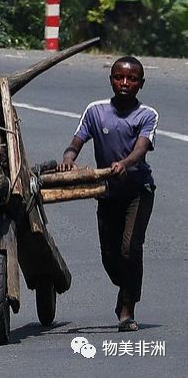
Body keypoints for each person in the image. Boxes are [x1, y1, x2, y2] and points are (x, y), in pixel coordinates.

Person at [57, 56, 158, 332]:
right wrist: (69, 158)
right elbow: (76, 142)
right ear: (111, 79)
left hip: (138, 191)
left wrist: (124, 164)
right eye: (119, 77)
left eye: (132, 79)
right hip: (106, 192)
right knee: (110, 258)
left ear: (141, 83)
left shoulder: (147, 115)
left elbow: (141, 149)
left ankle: (127, 310)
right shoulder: (95, 111)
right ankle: (126, 286)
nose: (125, 83)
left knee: (129, 249)